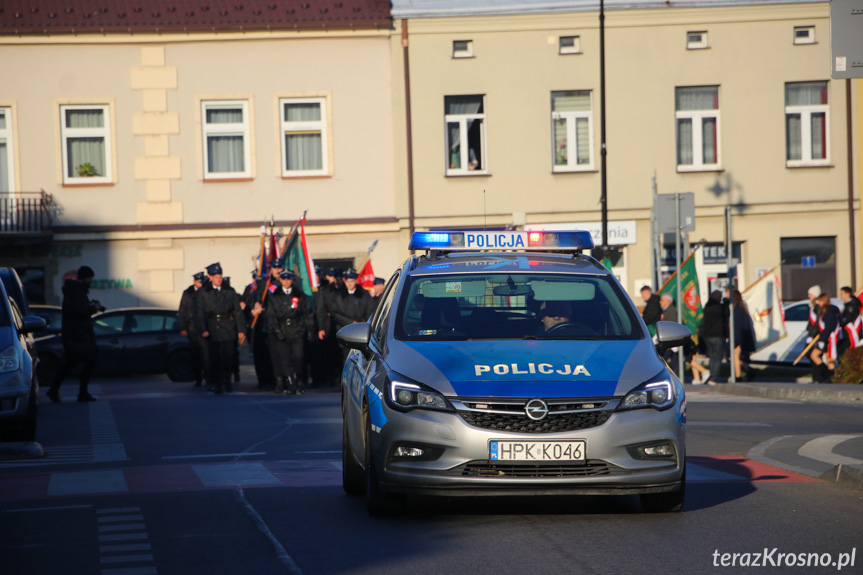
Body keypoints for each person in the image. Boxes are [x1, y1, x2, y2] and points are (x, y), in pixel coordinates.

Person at [47, 265, 103, 402]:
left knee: (71, 363)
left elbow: (78, 308)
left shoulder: (74, 290)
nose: (91, 280)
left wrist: (92, 306)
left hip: (75, 335)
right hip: (78, 335)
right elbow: (81, 311)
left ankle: (55, 390)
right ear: (84, 278)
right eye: (90, 278)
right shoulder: (77, 290)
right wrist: (94, 308)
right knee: (89, 361)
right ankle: (81, 393)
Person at [196, 262, 246, 394]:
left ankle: (227, 381)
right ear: (209, 277)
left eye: (220, 276)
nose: (219, 279)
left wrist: (241, 329)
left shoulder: (229, 291)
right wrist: (203, 329)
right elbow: (199, 313)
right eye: (215, 276)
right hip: (212, 327)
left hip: (227, 326)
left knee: (228, 356)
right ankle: (217, 382)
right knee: (214, 358)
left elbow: (237, 311)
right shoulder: (203, 292)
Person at [266, 270, 315, 395]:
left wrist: (309, 329)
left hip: (296, 328)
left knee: (298, 357)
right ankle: (290, 382)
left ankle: (299, 380)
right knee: (285, 359)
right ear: (280, 280)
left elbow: (307, 313)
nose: (286, 281)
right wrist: (276, 330)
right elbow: (271, 315)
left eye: (289, 279)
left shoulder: (299, 295)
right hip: (281, 329)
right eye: (284, 279)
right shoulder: (275, 296)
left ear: (292, 280)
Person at [249, 261, 284, 389]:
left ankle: (280, 380)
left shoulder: (285, 282)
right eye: (275, 268)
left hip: (281, 323)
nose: (278, 270)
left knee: (279, 355)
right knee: (264, 354)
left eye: (279, 267)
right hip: (265, 324)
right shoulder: (264, 284)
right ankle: (265, 379)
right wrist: (257, 304)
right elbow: (257, 299)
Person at [332, 268, 375, 363]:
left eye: (352, 281)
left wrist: (363, 324)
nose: (349, 284)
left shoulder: (364, 295)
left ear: (356, 280)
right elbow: (335, 313)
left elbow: (370, 311)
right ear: (344, 281)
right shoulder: (338, 295)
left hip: (361, 333)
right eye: (347, 281)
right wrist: (350, 323)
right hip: (345, 332)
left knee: (362, 361)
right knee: (347, 360)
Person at [178, 271, 210, 387]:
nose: (200, 284)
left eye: (202, 282)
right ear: (194, 282)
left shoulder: (207, 291)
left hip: (204, 327)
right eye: (198, 282)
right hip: (192, 327)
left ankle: (208, 377)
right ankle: (198, 378)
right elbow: (182, 311)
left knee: (206, 355)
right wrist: (183, 327)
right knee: (195, 354)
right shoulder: (187, 293)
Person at [698, 290, 728, 384]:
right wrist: (726, 303)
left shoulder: (707, 305)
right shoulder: (718, 307)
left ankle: (710, 374)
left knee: (712, 356)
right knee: (717, 356)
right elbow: (726, 313)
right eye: (720, 296)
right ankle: (713, 377)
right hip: (716, 334)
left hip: (707, 335)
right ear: (716, 297)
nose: (720, 298)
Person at [810, 293, 841, 383]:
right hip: (826, 338)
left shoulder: (829, 313)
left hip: (829, 339)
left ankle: (829, 374)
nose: (818, 303)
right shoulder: (825, 311)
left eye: (820, 301)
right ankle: (831, 376)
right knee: (829, 360)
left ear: (824, 301)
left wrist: (822, 341)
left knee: (814, 355)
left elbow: (828, 328)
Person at [732, 289, 756, 381]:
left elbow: (738, 327)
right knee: (734, 357)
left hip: (738, 338)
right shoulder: (742, 308)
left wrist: (736, 340)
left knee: (735, 357)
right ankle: (750, 371)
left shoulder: (737, 310)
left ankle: (738, 376)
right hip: (741, 337)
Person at [838, 286, 862, 359]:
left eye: (842, 293)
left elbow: (844, 320)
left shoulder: (852, 306)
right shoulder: (848, 304)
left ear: (847, 294)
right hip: (846, 334)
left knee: (846, 354)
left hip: (852, 334)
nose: (840, 295)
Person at [659, 293, 680, 373]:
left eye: (662, 300)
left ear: (668, 301)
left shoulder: (671, 311)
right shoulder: (666, 310)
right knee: (674, 360)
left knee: (662, 359)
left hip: (670, 340)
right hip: (668, 340)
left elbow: (672, 325)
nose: (660, 302)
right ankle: (677, 375)